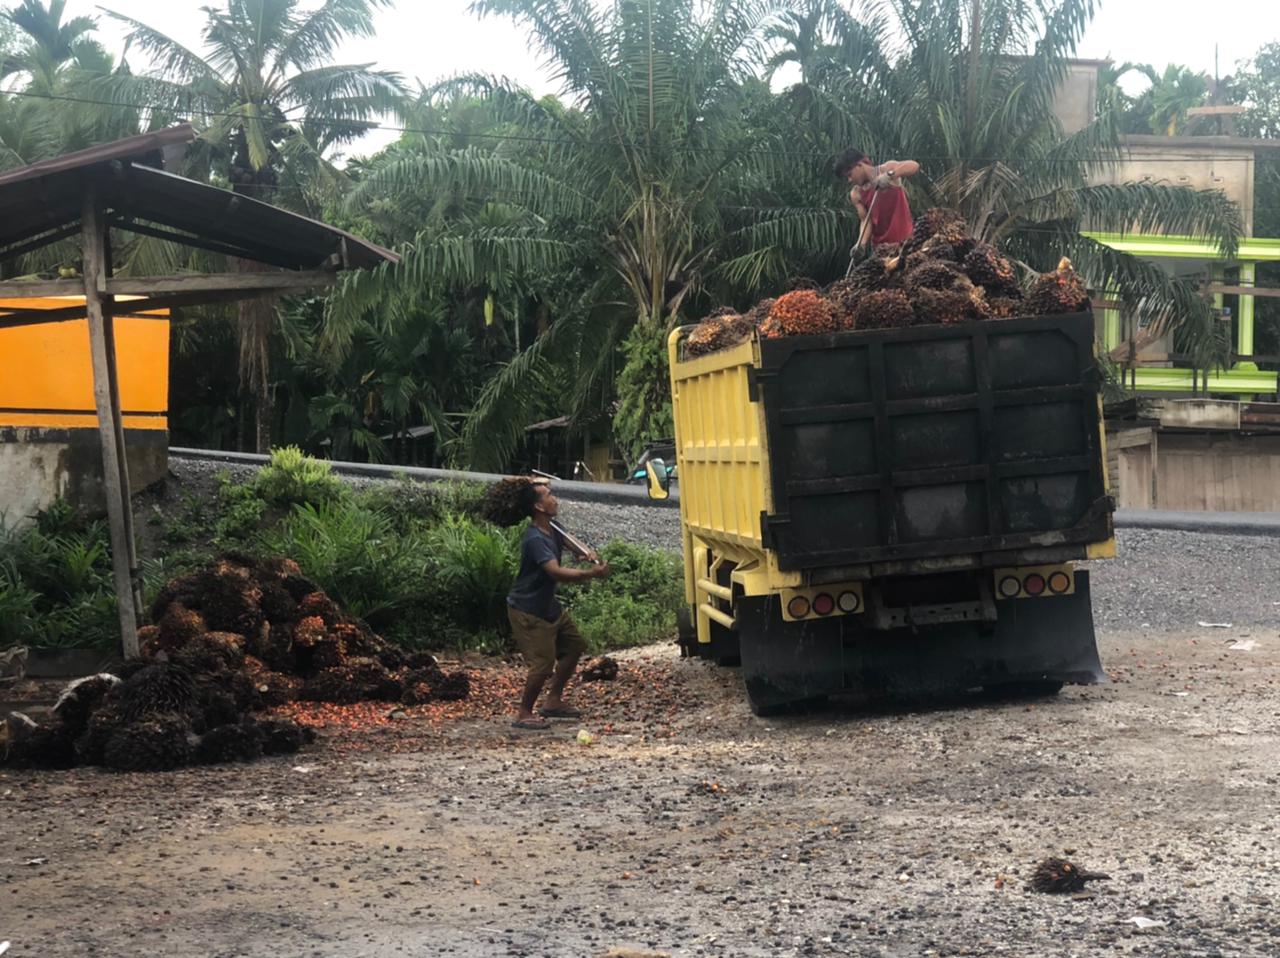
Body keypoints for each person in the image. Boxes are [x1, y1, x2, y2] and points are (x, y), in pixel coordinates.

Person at [506, 480, 610, 730]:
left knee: (574, 646)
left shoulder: (552, 526)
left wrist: (586, 553)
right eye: (549, 496)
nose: (555, 500)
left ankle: (553, 701)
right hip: (528, 610)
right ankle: (523, 713)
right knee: (542, 665)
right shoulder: (534, 539)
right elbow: (555, 572)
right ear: (538, 506)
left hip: (548, 606)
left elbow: (569, 541)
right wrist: (590, 574)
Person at [833, 148, 920, 250]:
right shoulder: (856, 193)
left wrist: (890, 175)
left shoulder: (886, 168)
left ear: (859, 165)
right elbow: (866, 220)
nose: (849, 180)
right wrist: (860, 244)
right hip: (880, 249)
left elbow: (914, 165)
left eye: (849, 174)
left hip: (906, 243)